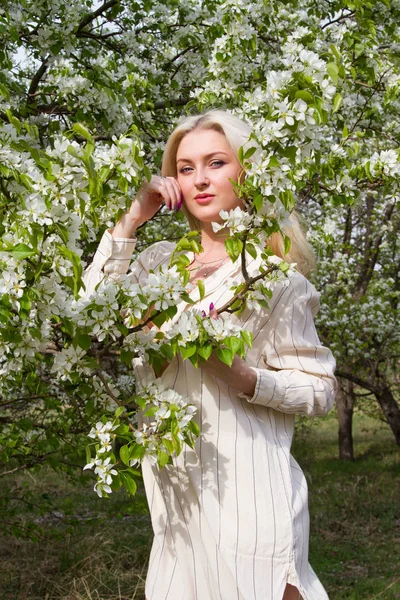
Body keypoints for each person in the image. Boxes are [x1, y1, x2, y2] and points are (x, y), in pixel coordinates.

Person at [83, 110, 337, 600]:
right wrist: (132, 217)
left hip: (252, 496)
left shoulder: (275, 280)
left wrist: (244, 377)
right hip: (175, 503)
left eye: (216, 163)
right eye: (184, 167)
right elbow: (87, 317)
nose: (199, 179)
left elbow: (321, 390)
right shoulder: (158, 263)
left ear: (246, 172)